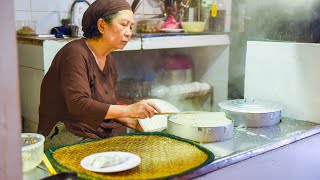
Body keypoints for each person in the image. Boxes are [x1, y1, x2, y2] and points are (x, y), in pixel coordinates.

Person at [37, 0, 161, 150]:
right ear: (102, 25)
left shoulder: (108, 59)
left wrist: (131, 120)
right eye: (123, 24)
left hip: (91, 131)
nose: (128, 32)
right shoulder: (75, 54)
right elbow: (79, 105)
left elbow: (101, 105)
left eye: (130, 27)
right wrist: (129, 110)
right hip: (65, 134)